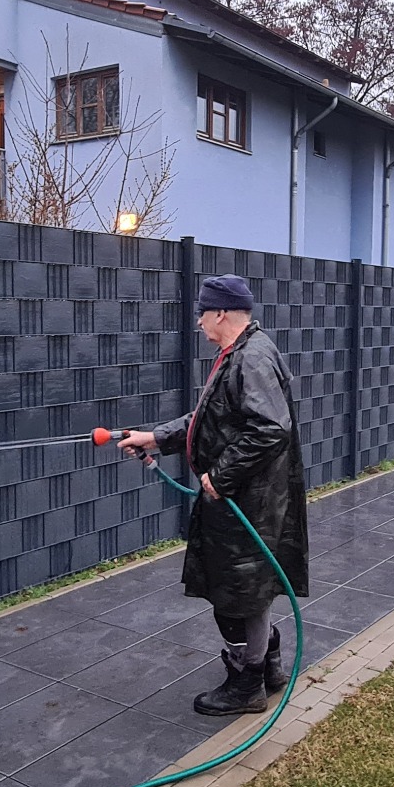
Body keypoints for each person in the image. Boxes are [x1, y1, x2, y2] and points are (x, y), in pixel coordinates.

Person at [118, 274, 310, 716]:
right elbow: (212, 416)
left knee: (235, 591)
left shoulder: (251, 359)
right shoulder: (241, 353)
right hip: (249, 496)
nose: (200, 323)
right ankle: (268, 666)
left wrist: (220, 477)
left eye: (203, 314)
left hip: (246, 500)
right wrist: (155, 437)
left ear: (221, 312)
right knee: (247, 587)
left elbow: (269, 428)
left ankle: (247, 683)